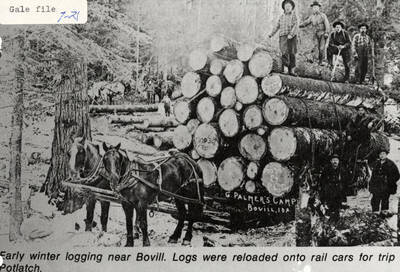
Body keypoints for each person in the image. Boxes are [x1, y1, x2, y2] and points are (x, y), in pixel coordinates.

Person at [268, 0, 299, 76]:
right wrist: (271, 34)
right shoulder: (281, 17)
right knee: (284, 51)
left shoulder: (294, 16)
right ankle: (285, 68)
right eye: (286, 6)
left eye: (289, 6)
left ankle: (292, 70)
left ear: (292, 8)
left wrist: (291, 34)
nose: (287, 8)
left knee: (292, 52)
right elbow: (277, 26)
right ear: (284, 8)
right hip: (283, 36)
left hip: (292, 37)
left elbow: (296, 26)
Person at [369, 149, 399, 216]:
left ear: (386, 154)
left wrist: (390, 181)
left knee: (385, 198)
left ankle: (384, 211)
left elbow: (397, 175)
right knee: (375, 198)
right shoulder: (377, 163)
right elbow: (373, 175)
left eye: (383, 154)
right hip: (377, 184)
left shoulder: (391, 164)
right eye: (380, 154)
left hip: (386, 185)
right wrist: (371, 184)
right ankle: (375, 212)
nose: (382, 156)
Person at [299, 1, 330, 65]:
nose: (315, 9)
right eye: (314, 8)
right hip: (315, 34)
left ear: (319, 8)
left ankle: (321, 61)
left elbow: (327, 24)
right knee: (315, 47)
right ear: (312, 9)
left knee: (321, 48)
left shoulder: (323, 15)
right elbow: (306, 22)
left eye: (316, 7)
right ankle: (315, 60)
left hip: (322, 33)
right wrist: (299, 25)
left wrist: (326, 32)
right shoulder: (312, 17)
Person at [319, 154, 349, 221]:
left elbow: (345, 182)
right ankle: (327, 221)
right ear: (330, 161)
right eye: (333, 160)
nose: (335, 162)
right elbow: (322, 181)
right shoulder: (326, 170)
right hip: (329, 192)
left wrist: (344, 193)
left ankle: (337, 221)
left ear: (338, 161)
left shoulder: (342, 170)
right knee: (329, 208)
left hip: (339, 192)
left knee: (338, 208)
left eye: (336, 160)